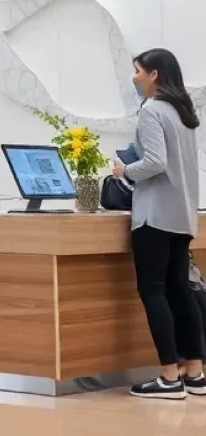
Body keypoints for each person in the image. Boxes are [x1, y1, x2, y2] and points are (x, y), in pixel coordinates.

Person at [114, 48, 204, 400]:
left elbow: (154, 162)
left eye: (137, 71)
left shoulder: (151, 110)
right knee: (180, 290)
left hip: (154, 215)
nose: (134, 78)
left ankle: (169, 375)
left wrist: (124, 171)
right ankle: (195, 373)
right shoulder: (182, 111)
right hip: (182, 214)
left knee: (153, 291)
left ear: (153, 74)